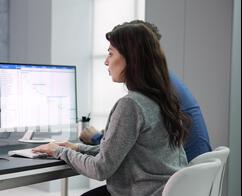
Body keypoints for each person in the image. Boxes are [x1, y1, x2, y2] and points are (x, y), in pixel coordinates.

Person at [32, 21, 190, 196]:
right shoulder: (161, 99)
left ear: (131, 58)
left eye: (111, 53)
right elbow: (120, 152)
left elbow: (101, 169)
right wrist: (76, 148)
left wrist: (60, 152)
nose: (106, 61)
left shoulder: (131, 105)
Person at [80, 20, 212, 162]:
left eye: (112, 53)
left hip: (179, 176)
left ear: (135, 53)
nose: (106, 61)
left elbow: (110, 158)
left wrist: (97, 138)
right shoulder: (164, 82)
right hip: (189, 174)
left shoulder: (157, 91)